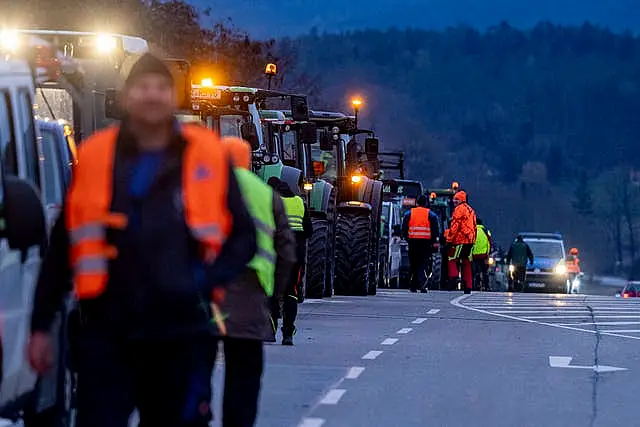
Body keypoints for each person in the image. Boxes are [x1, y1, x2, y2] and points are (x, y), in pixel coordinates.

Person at [27, 53, 257, 427]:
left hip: (181, 332)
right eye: (143, 87)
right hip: (108, 330)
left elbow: (242, 236)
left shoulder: (207, 157)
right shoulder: (96, 155)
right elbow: (62, 247)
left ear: (173, 96)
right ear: (127, 95)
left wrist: (204, 281)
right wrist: (40, 325)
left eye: (161, 88)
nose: (152, 95)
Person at [220, 137, 296, 426]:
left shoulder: (200, 187)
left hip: (205, 295)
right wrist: (274, 295)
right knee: (244, 375)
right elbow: (287, 252)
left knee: (194, 375)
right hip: (250, 295)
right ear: (250, 162)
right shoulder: (267, 195)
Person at [267, 176, 312, 345]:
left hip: (275, 253)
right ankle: (288, 333)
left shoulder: (271, 202)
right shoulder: (299, 202)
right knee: (291, 292)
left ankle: (270, 330)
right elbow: (309, 230)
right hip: (295, 254)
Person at [402, 194, 441, 293]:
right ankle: (421, 284)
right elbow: (435, 229)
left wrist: (407, 238)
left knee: (413, 264)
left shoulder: (409, 213)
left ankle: (413, 285)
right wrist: (433, 241)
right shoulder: (431, 215)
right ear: (426, 203)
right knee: (422, 264)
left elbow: (404, 228)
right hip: (425, 243)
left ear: (417, 203)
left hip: (412, 242)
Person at [444, 190, 477, 294]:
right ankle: (468, 286)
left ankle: (453, 277)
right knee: (466, 263)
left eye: (456, 199)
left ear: (461, 200)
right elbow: (474, 226)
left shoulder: (459, 209)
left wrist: (449, 239)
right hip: (470, 241)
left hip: (459, 240)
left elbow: (455, 226)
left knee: (451, 258)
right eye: (454, 199)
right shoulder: (471, 210)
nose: (454, 201)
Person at [472, 218, 493, 291]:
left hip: (474, 255)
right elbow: (489, 242)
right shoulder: (486, 231)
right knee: (485, 271)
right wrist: (488, 252)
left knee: (476, 271)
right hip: (484, 255)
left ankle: (477, 285)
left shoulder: (472, 231)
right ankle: (486, 286)